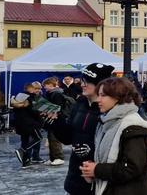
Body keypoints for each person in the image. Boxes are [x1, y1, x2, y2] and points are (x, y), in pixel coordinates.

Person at [79, 77, 147, 195]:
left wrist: (97, 170)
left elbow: (132, 168)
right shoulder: (106, 122)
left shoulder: (133, 125)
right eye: (98, 95)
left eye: (103, 95)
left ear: (118, 97)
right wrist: (92, 172)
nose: (98, 99)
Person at [48, 63, 114, 195]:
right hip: (76, 173)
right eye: (82, 80)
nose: (82, 84)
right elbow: (67, 138)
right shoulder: (80, 103)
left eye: (87, 82)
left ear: (100, 85)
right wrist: (56, 121)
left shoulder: (109, 110)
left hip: (97, 176)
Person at [11, 83, 44, 168]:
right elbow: (33, 111)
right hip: (30, 123)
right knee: (38, 138)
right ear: (30, 89)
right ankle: (22, 151)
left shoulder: (18, 97)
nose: (38, 91)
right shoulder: (30, 97)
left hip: (20, 123)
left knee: (25, 140)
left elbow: (15, 109)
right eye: (36, 89)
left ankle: (25, 162)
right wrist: (42, 111)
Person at [42, 77, 67, 166]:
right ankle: (53, 158)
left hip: (57, 119)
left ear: (50, 85)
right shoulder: (52, 93)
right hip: (53, 118)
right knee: (51, 138)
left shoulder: (57, 93)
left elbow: (58, 107)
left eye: (45, 85)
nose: (44, 87)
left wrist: (50, 111)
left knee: (54, 138)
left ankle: (58, 157)